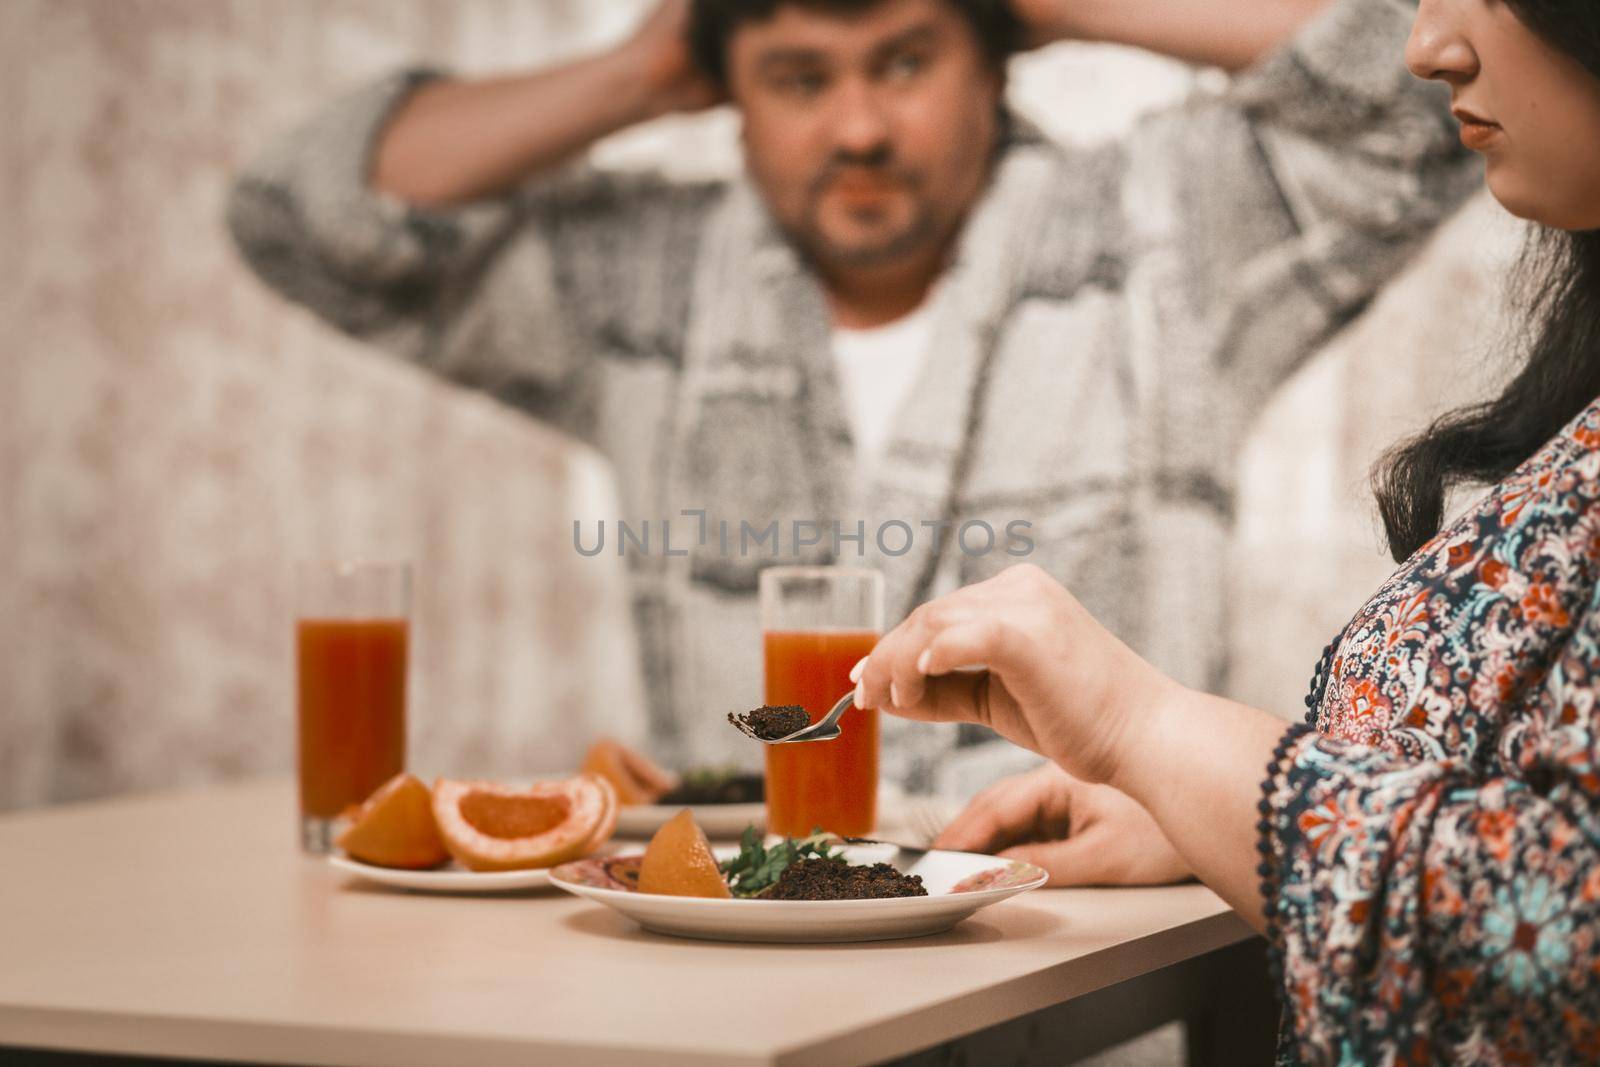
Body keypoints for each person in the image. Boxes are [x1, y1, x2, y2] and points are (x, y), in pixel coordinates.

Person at [227, 0, 1474, 786]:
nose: (861, 125)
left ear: (992, 66)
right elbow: (302, 217)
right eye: (799, 76)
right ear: (729, 100)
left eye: (905, 57)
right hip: (754, 980)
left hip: (1083, 978)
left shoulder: (1163, 235)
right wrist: (649, 62)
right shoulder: (642, 281)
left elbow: (1447, 83)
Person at [855, 0, 1600, 1058]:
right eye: (799, 78)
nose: (1427, 44)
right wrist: (1193, 806)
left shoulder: (1153, 237)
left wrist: (1145, 728)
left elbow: (1566, 923)